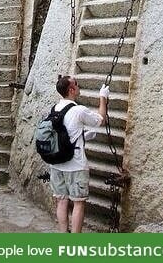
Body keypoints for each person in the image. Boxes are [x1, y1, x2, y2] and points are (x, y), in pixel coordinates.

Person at [49, 75, 109, 233]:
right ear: (71, 89)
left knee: (61, 201)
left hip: (56, 164)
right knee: (78, 202)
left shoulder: (54, 109)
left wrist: (83, 136)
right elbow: (100, 120)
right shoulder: (78, 110)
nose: (79, 85)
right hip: (75, 165)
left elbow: (65, 133)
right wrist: (103, 97)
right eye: (77, 84)